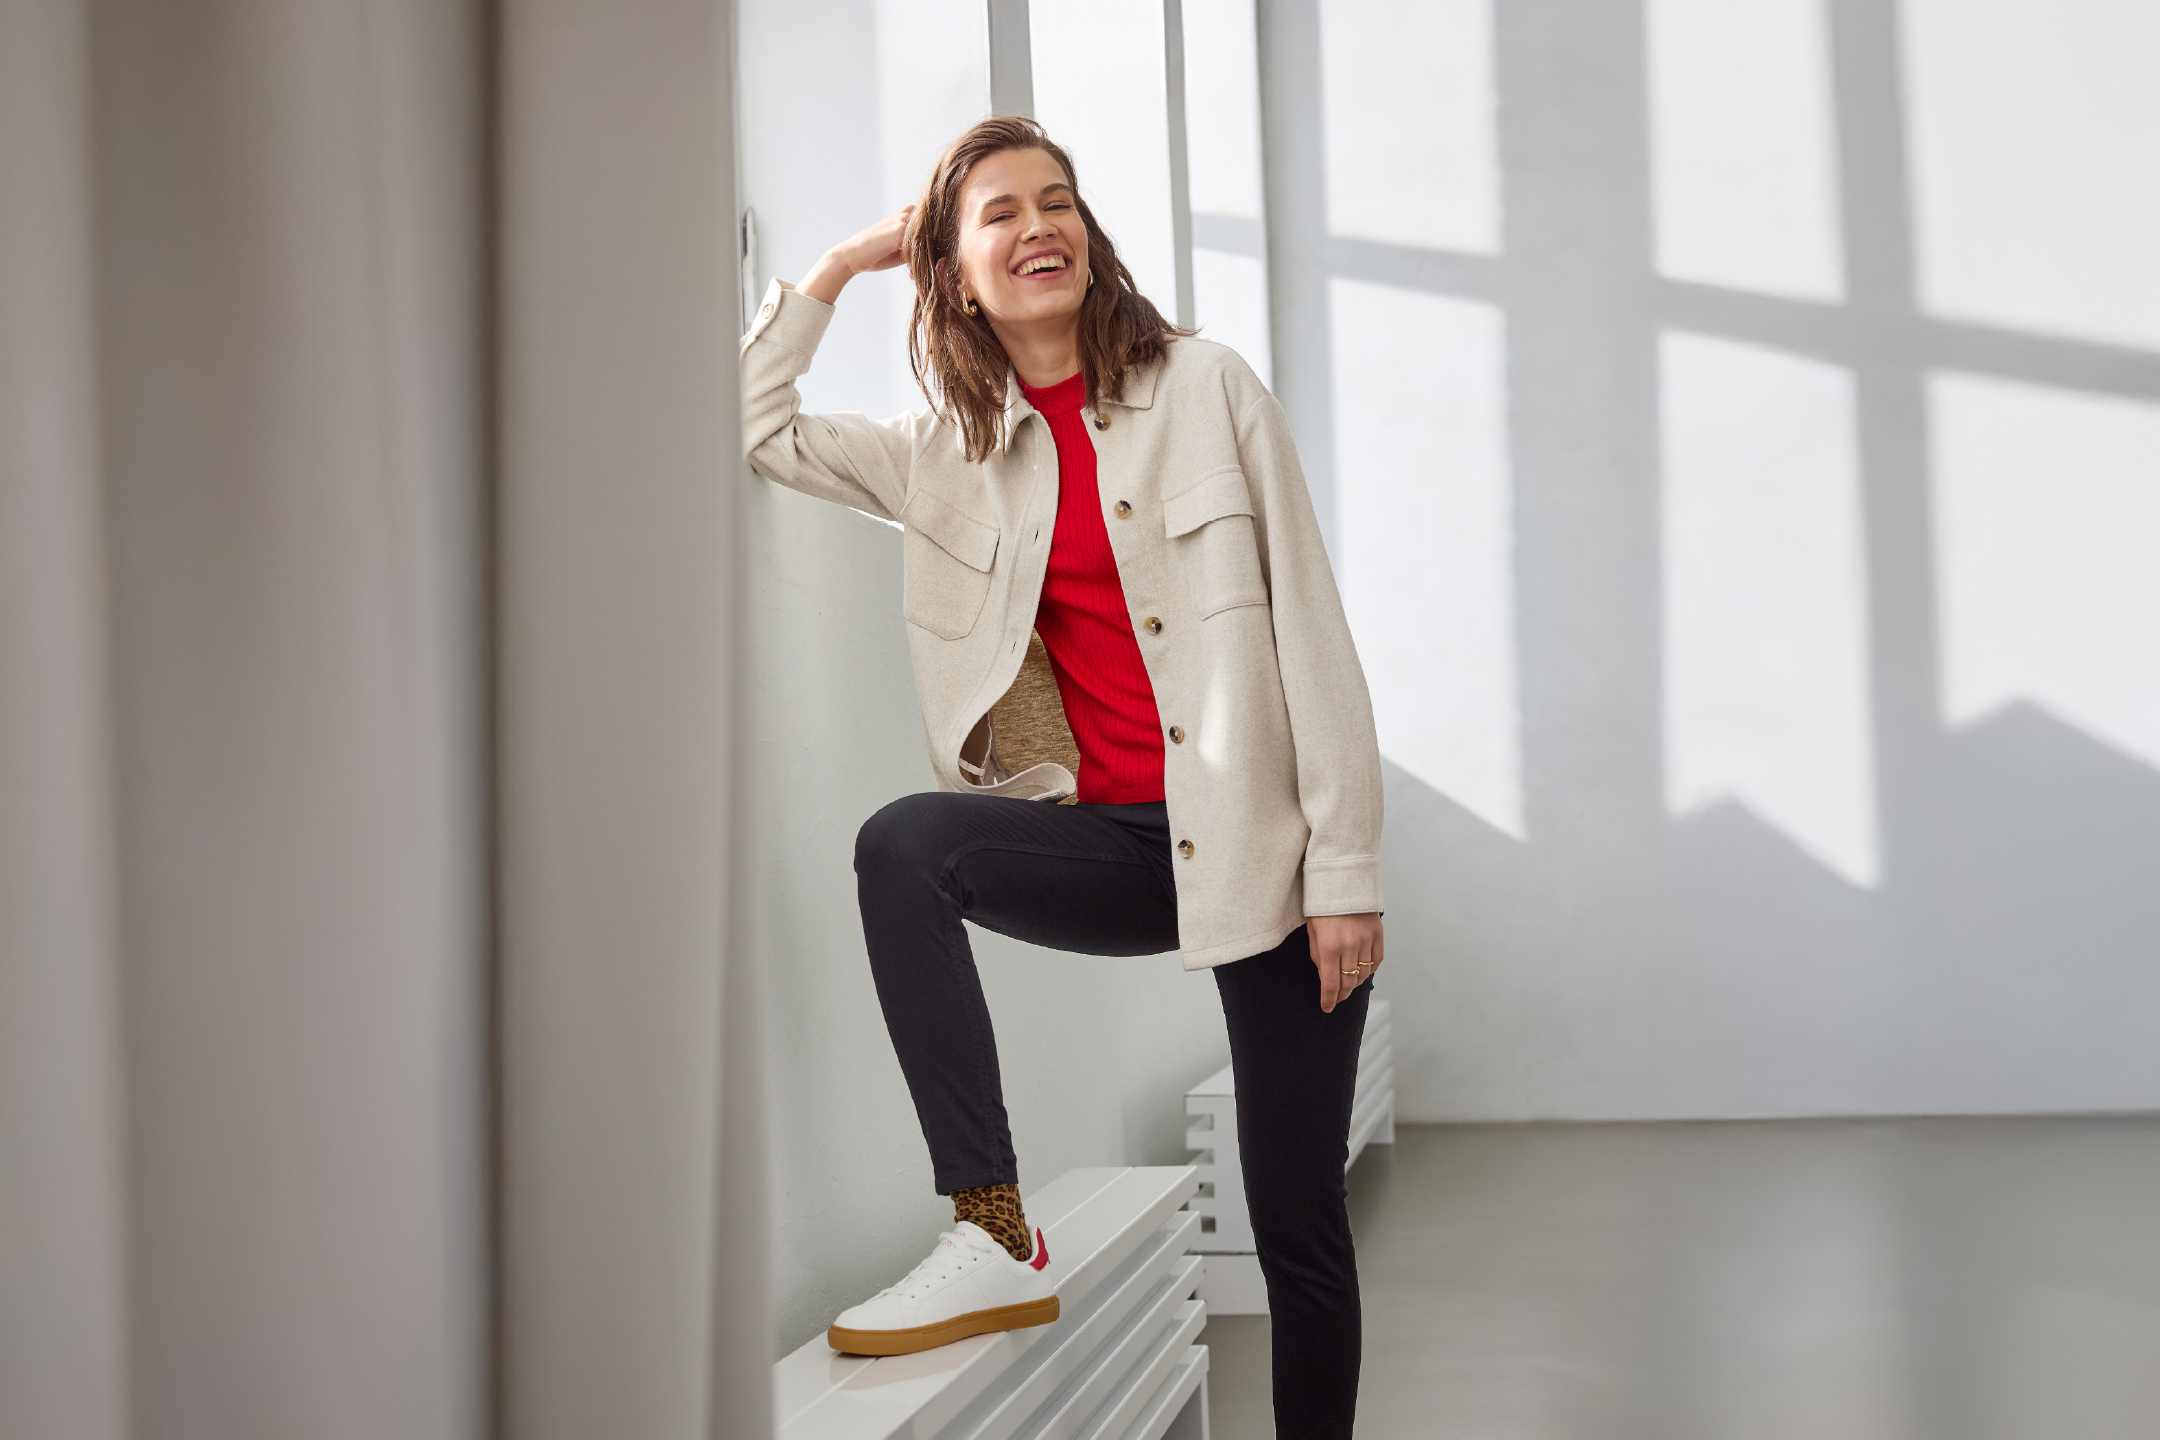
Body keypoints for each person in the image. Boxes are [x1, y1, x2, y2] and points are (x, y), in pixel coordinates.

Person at [741, 115, 1384, 1439]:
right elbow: (757, 427)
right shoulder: (944, 457)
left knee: (1296, 1217)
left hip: (1264, 856)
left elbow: (1311, 625)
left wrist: (1348, 874)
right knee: (906, 848)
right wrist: (841, 265)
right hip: (1117, 849)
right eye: (997, 214)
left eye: (1059, 202)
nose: (1040, 227)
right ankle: (989, 1224)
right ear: (954, 268)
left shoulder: (1209, 389)